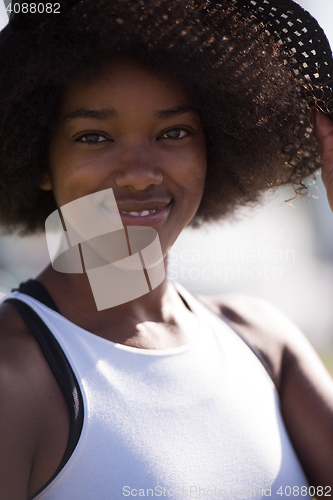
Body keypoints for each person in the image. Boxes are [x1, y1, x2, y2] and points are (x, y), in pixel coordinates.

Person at [0, 1, 332, 499]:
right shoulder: (15, 378)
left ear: (213, 148)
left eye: (173, 133)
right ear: (40, 160)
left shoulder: (263, 345)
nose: (139, 172)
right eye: (94, 137)